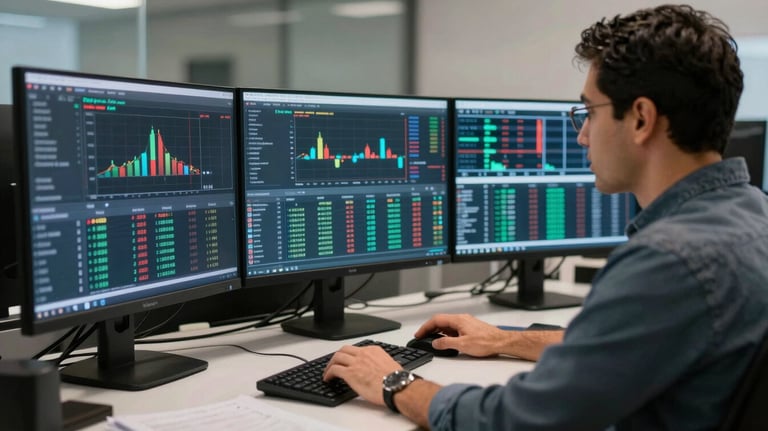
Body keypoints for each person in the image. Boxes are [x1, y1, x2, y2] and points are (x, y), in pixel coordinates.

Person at [323, 4, 768, 430]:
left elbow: (518, 420)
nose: (581, 135)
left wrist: (395, 382)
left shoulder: (669, 260)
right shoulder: (754, 217)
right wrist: (504, 339)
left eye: (589, 112)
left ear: (640, 119)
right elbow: (617, 353)